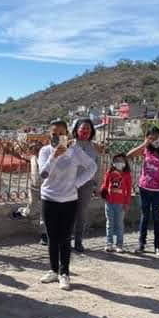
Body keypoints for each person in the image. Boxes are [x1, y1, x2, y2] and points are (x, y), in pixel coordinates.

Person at [38, 119, 96, 290]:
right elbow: (43, 174)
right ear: (49, 134)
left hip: (69, 200)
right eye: (54, 134)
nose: (57, 137)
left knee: (64, 238)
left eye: (61, 133)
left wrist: (77, 183)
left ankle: (65, 273)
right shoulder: (45, 151)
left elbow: (91, 167)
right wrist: (54, 156)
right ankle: (53, 270)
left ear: (67, 135)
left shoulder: (75, 151)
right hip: (49, 198)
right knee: (52, 237)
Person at [128, 126, 159, 257]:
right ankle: (141, 244)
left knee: (157, 217)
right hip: (144, 188)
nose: (155, 140)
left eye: (157, 137)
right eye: (151, 137)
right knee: (144, 216)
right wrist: (144, 144)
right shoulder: (146, 150)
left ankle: (157, 246)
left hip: (158, 191)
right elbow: (129, 155)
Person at [70, 118, 103, 253]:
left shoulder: (95, 146)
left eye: (88, 129)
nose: (85, 131)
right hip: (69, 184)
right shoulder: (70, 144)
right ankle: (65, 239)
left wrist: (98, 185)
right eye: (82, 128)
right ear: (76, 130)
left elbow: (98, 166)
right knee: (67, 212)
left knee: (81, 213)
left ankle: (78, 241)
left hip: (87, 185)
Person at [101, 153, 132, 252]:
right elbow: (105, 185)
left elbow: (128, 190)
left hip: (121, 204)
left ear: (125, 163)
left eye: (121, 161)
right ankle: (109, 243)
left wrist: (127, 203)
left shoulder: (127, 175)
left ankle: (119, 244)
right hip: (109, 202)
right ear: (113, 162)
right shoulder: (109, 172)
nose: (119, 163)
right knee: (109, 223)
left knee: (119, 224)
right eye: (117, 161)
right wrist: (103, 191)